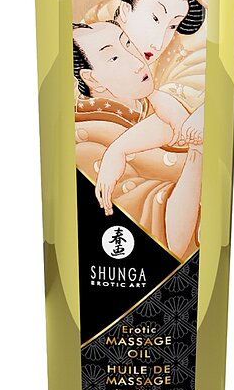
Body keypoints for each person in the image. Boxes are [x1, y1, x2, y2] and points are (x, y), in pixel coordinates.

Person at [74, 21, 204, 259]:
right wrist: (197, 150)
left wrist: (120, 147)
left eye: (128, 44)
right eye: (114, 58)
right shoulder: (86, 144)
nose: (137, 62)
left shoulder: (154, 101)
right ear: (91, 78)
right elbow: (172, 242)